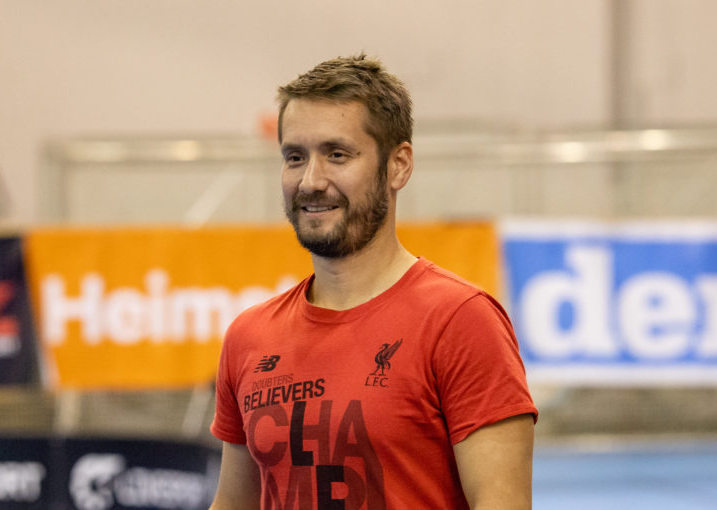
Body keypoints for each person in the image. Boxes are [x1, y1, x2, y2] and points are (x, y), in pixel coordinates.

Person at [209, 54, 537, 510]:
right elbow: (233, 503)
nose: (311, 181)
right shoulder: (249, 337)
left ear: (398, 165)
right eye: (295, 157)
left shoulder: (461, 321)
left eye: (337, 155)